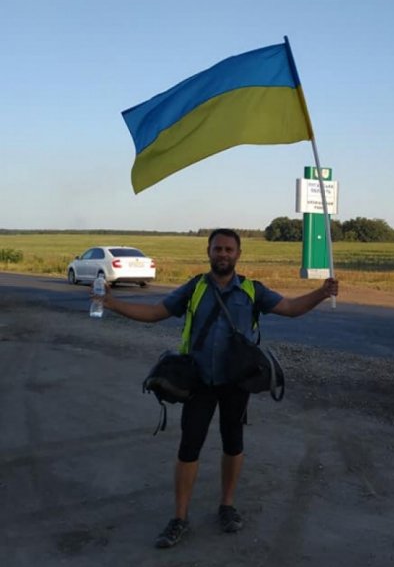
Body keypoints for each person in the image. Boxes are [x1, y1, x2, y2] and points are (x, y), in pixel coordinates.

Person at [101, 227, 338, 548]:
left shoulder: (252, 290)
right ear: (209, 252)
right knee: (189, 447)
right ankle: (179, 518)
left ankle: (227, 506)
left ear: (238, 254)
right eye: (218, 249)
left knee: (233, 444)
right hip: (199, 380)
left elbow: (290, 308)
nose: (223, 254)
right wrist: (113, 305)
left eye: (228, 249)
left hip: (236, 382)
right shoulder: (195, 287)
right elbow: (156, 312)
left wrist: (322, 293)